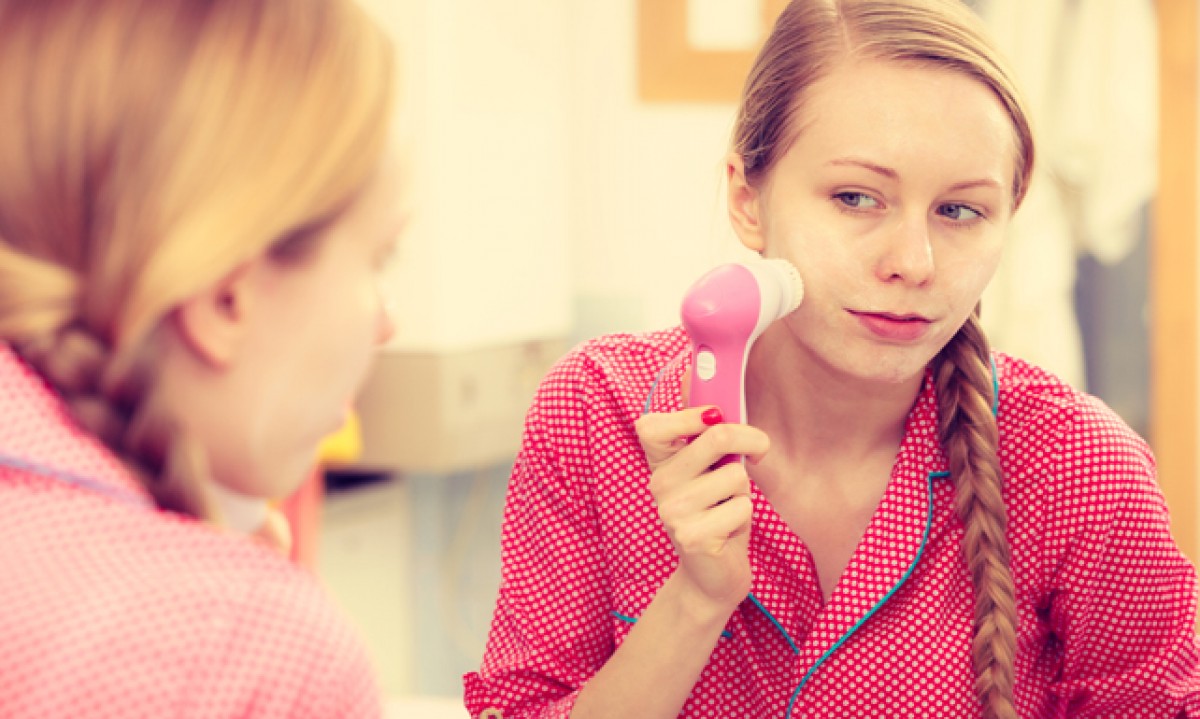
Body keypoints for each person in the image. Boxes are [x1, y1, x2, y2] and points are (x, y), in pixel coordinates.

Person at [464, 1, 1200, 717]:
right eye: (856, 197)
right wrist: (694, 600)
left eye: (960, 211)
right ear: (748, 200)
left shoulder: (1080, 466)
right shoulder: (596, 411)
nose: (913, 262)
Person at [0, 0, 402, 716]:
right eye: (377, 257)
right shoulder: (242, 644)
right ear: (226, 299)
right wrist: (249, 608)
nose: (387, 322)